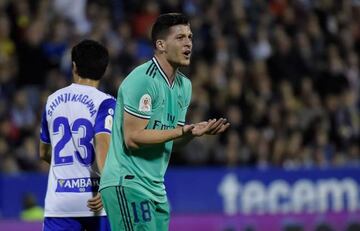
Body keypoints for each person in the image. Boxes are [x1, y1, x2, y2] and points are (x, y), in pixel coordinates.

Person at [100, 13, 230, 231]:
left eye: (190, 36)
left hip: (155, 188)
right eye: (180, 37)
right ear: (161, 44)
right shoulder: (142, 80)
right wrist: (181, 131)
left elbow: (170, 140)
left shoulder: (184, 86)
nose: (188, 42)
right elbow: (133, 138)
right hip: (128, 181)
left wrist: (192, 133)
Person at [39, 39, 115, 231]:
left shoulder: (52, 100)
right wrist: (107, 186)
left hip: (60, 201)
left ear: (74, 66)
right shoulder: (106, 103)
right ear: (104, 70)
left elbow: (44, 152)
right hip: (95, 199)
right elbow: (103, 144)